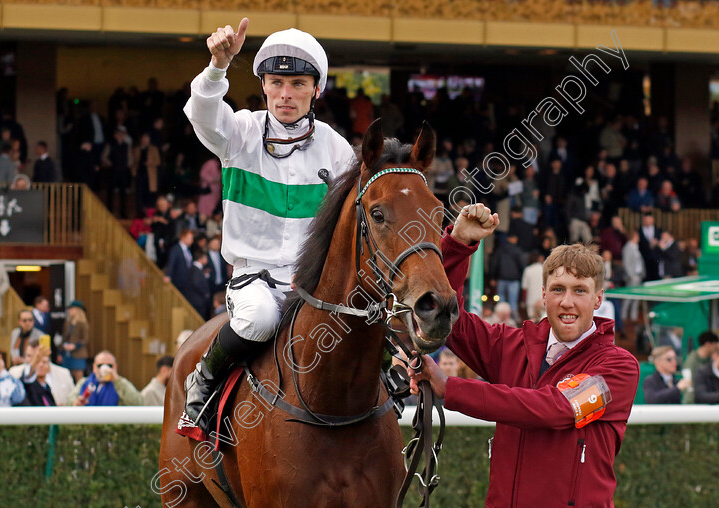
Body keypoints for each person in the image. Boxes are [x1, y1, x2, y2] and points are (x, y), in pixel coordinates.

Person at [181, 18, 355, 431]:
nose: (285, 95)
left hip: (315, 285)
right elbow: (202, 113)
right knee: (260, 320)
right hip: (254, 280)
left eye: (298, 84)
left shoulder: (338, 148)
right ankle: (202, 381)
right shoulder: (238, 131)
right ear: (263, 86)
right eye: (276, 82)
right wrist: (217, 66)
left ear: (317, 89)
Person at [408, 203, 639, 507]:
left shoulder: (619, 367)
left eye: (580, 291)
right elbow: (450, 318)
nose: (567, 302)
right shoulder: (510, 346)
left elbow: (557, 408)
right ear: (543, 295)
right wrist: (458, 245)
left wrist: (450, 388)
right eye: (558, 289)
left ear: (598, 299)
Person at [9, 337, 75, 406]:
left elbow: (72, 400)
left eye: (40, 358)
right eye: (29, 356)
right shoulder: (15, 373)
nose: (39, 364)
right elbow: (26, 380)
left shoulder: (63, 373)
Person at [68, 351, 143, 406]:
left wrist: (117, 380)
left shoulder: (121, 384)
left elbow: (138, 403)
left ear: (115, 367)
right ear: (94, 367)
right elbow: (69, 401)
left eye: (109, 366)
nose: (105, 368)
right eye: (100, 365)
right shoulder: (84, 382)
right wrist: (75, 403)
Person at [682, 332, 719, 404]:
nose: (716, 348)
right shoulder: (691, 362)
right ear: (707, 344)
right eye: (715, 346)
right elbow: (689, 387)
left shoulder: (709, 360)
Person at [61, 301, 90, 382]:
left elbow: (85, 339)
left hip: (78, 354)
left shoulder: (83, 323)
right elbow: (64, 338)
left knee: (79, 377)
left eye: (71, 309)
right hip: (67, 354)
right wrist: (62, 349)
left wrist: (75, 346)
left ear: (78, 310)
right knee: (66, 377)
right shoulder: (68, 323)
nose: (69, 311)